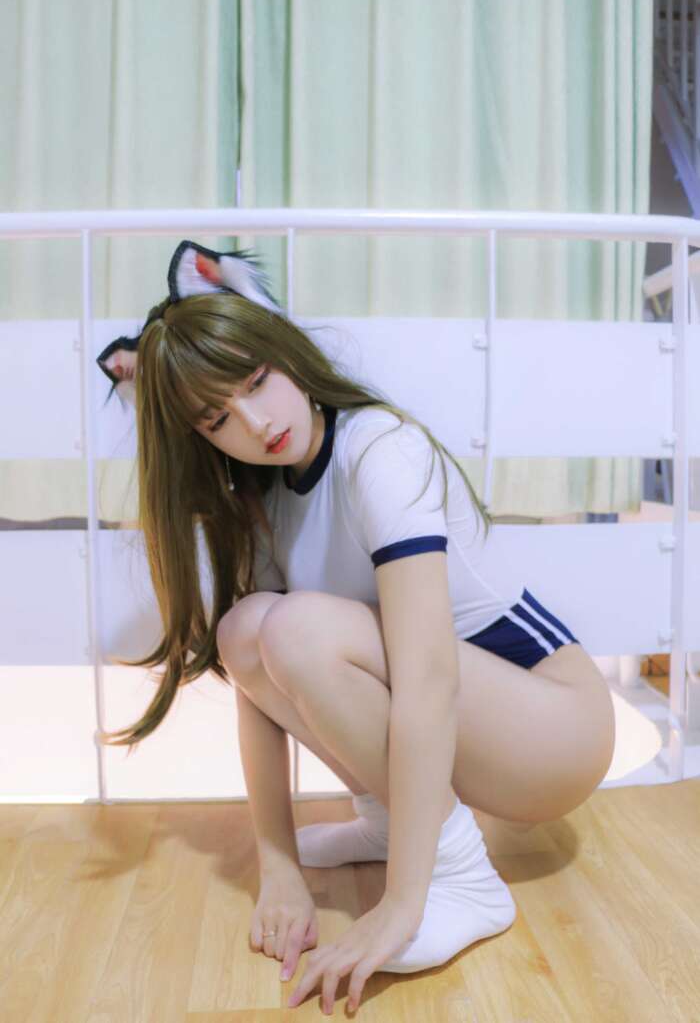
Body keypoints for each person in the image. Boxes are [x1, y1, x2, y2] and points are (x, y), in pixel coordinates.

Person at [95, 239, 616, 1013]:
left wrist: (403, 904)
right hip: (475, 728)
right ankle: (390, 820)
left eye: (257, 381)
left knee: (297, 630)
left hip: (556, 728)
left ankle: (459, 877)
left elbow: (429, 678)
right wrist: (278, 869)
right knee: (245, 632)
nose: (255, 423)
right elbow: (258, 691)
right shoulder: (268, 499)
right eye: (218, 418)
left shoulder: (379, 449)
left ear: (286, 353)